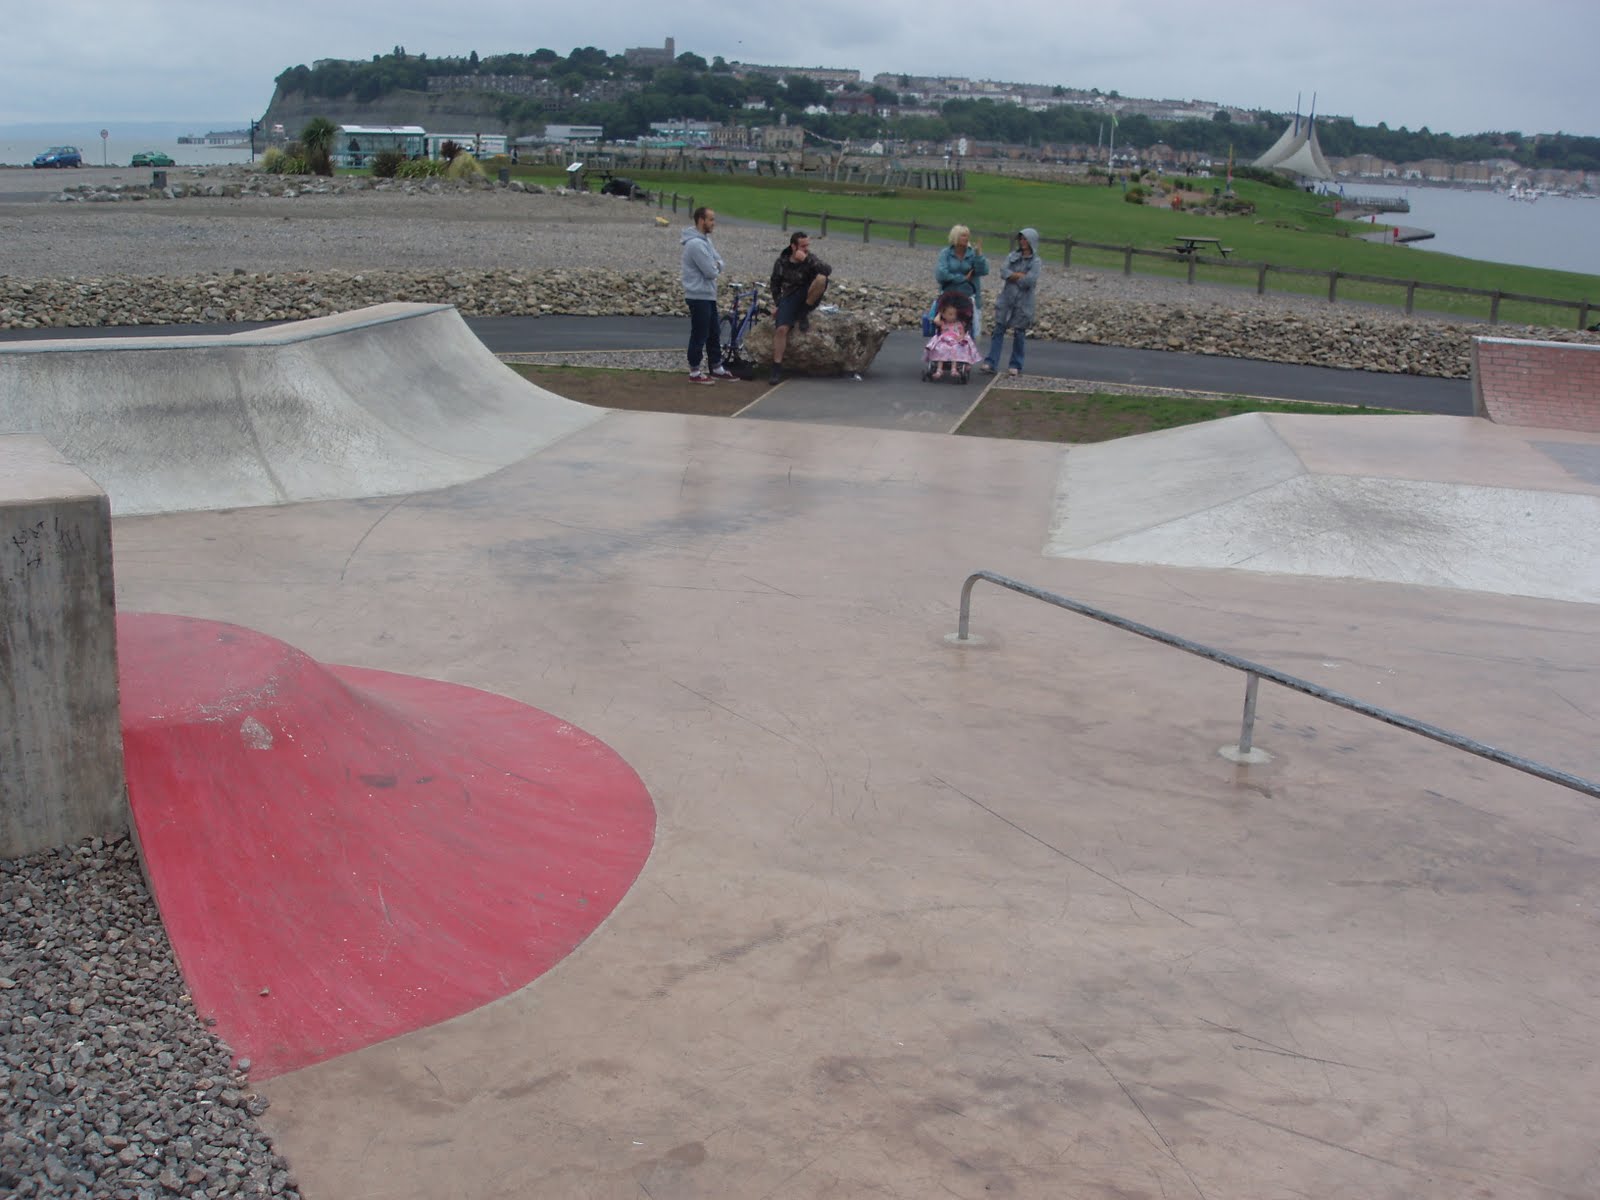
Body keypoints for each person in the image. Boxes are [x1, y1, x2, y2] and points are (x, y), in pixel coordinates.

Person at [767, 230, 831, 384]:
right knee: (781, 329)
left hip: (808, 295)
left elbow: (827, 270)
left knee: (821, 278)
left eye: (807, 245)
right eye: (803, 246)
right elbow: (775, 284)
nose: (806, 249)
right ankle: (776, 367)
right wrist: (779, 304)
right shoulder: (781, 262)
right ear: (793, 246)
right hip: (790, 296)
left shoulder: (810, 258)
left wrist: (806, 259)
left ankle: (803, 313)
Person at [680, 206, 735, 383]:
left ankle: (716, 367)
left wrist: (716, 265)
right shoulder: (695, 244)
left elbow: (719, 262)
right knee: (700, 333)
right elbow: (710, 272)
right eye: (711, 219)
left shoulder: (706, 241)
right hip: (698, 295)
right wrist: (716, 265)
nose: (714, 223)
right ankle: (694, 371)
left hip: (708, 295)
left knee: (713, 332)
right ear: (701, 220)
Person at [982, 227, 1041, 377]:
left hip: (1024, 302)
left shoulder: (1036, 261)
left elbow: (1030, 281)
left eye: (1026, 239)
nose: (1023, 242)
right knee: (998, 330)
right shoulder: (1012, 256)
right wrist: (1019, 275)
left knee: (1019, 333)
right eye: (1021, 239)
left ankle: (1015, 364)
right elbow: (1003, 272)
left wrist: (1013, 277)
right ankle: (991, 362)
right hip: (1007, 299)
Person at [934, 224, 988, 343]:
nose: (966, 238)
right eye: (963, 235)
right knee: (946, 327)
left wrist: (979, 255)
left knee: (967, 328)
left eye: (967, 235)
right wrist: (962, 278)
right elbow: (941, 274)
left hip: (968, 297)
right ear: (956, 237)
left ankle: (966, 350)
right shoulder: (946, 253)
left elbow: (983, 271)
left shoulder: (972, 254)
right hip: (949, 297)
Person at [923, 301, 980, 379]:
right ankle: (939, 370)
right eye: (950, 314)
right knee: (941, 349)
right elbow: (936, 321)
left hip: (955, 341)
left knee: (955, 348)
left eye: (955, 314)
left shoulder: (959, 324)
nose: (953, 316)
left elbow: (962, 333)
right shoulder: (943, 323)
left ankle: (954, 369)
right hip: (944, 341)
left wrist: (961, 337)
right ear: (944, 315)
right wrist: (940, 313)